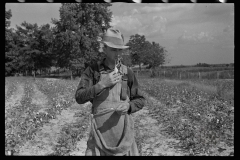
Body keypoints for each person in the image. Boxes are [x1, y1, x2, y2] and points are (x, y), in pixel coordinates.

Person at [75, 28, 145, 156]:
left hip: (124, 137)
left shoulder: (127, 72)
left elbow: (140, 99)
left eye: (120, 49)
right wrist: (102, 84)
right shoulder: (93, 71)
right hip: (99, 136)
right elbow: (79, 97)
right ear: (104, 49)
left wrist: (128, 106)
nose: (118, 53)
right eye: (113, 49)